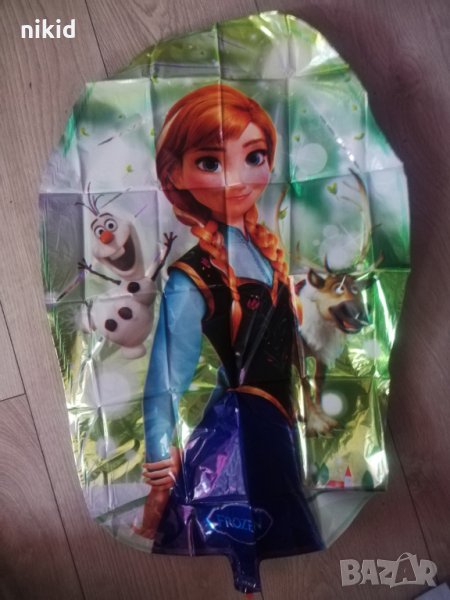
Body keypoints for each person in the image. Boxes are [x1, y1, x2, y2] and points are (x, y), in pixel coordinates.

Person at [135, 83, 323, 592]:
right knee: (245, 553)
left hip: (275, 427)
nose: (237, 179)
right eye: (210, 162)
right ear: (174, 174)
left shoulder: (267, 249)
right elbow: (164, 383)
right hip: (239, 437)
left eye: (254, 156)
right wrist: (161, 475)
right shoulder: (190, 278)